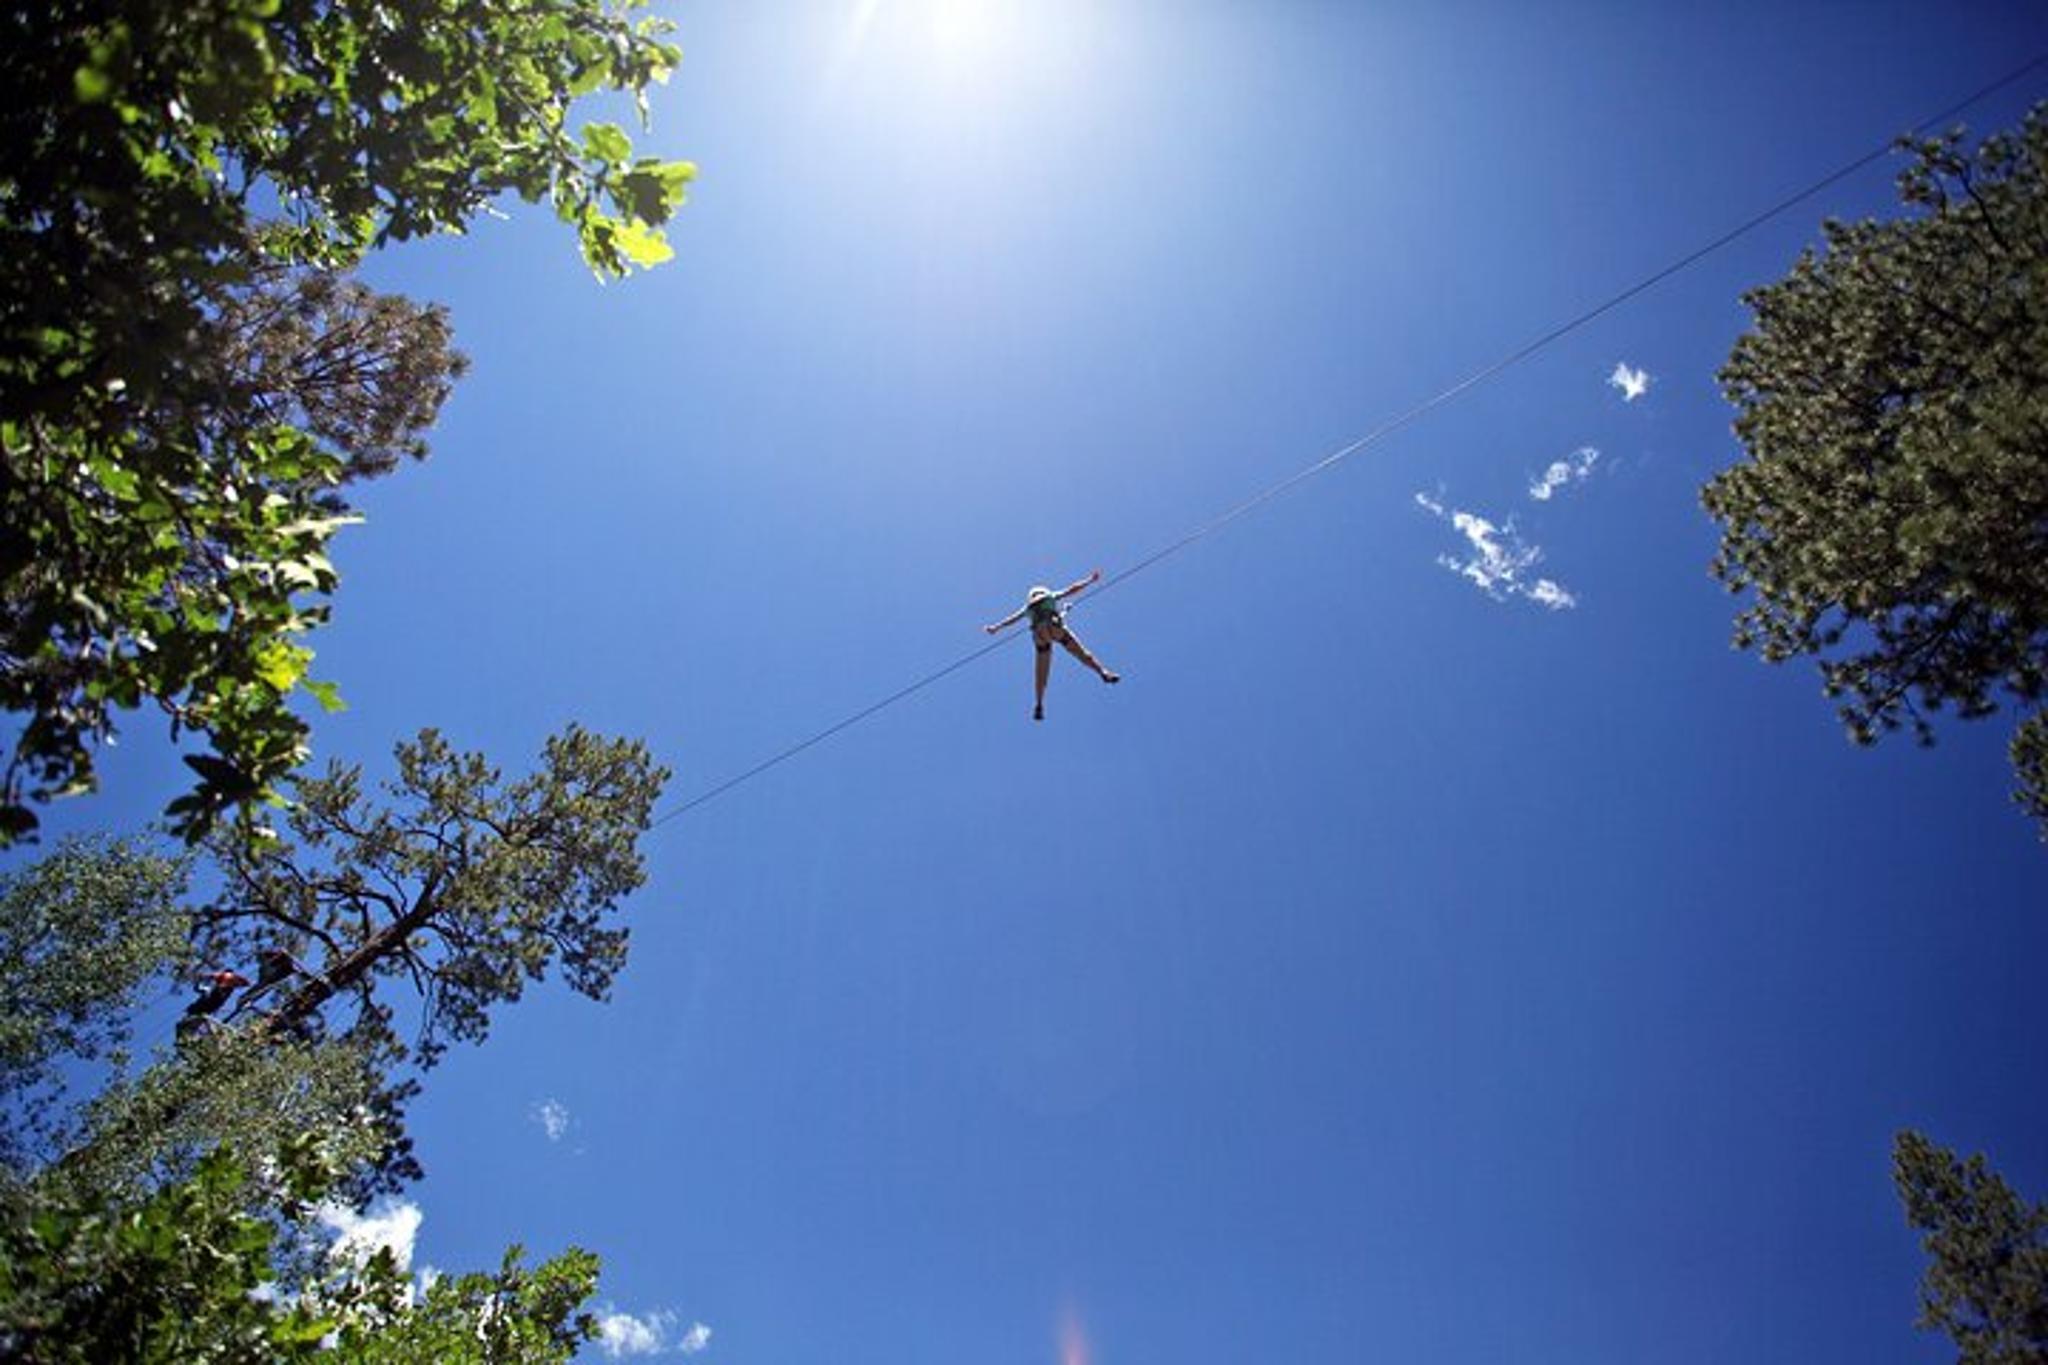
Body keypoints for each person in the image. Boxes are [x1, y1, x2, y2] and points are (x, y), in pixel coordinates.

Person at [985, 570, 1120, 720]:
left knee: (1042, 674)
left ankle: (1039, 704)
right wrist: (1089, 581)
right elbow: (1072, 589)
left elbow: (1011, 620)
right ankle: (1103, 672)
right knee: (1082, 655)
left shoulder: (1029, 608)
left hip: (1042, 635)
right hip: (1055, 630)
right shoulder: (1049, 597)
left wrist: (996, 628)